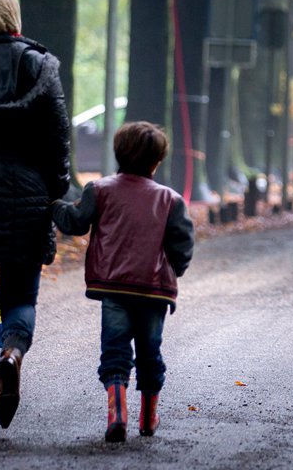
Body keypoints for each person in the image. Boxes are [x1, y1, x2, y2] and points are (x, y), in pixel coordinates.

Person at [52, 121, 194, 442]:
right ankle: (148, 416)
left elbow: (75, 222)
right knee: (149, 352)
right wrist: (174, 270)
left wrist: (55, 206)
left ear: (118, 153)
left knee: (115, 351)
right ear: (157, 161)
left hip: (113, 288)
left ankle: (117, 412)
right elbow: (182, 245)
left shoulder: (99, 190)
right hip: (155, 291)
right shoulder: (170, 200)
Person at [0, 0, 71, 431]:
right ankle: (11, 355)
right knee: (21, 295)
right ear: (14, 19)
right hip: (27, 195)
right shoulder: (39, 65)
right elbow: (58, 139)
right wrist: (54, 193)